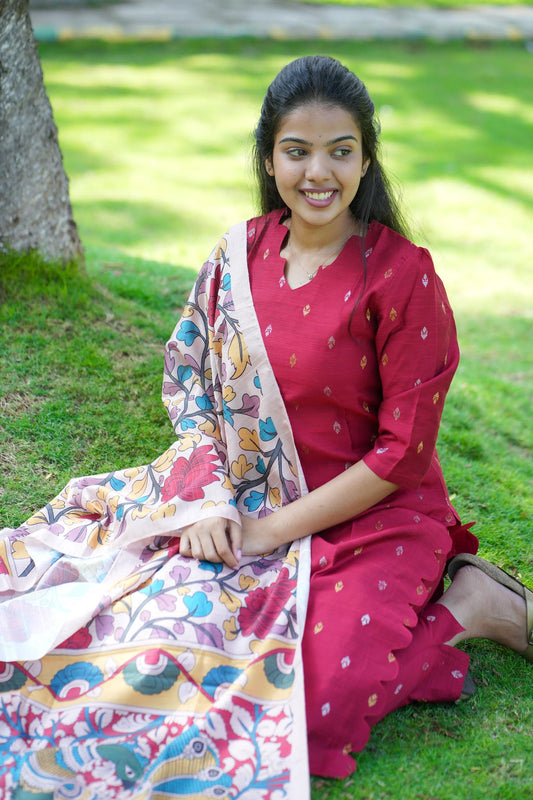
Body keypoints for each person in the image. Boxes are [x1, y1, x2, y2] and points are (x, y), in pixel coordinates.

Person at [0, 55, 531, 795]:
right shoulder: (238, 256)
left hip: (377, 517)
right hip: (248, 495)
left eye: (340, 151)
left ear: (366, 159)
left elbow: (402, 457)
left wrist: (269, 533)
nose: (319, 172)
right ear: (269, 157)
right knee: (155, 645)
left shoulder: (402, 276)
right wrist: (208, 500)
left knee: (306, 708)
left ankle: (470, 607)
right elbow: (193, 387)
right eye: (296, 150)